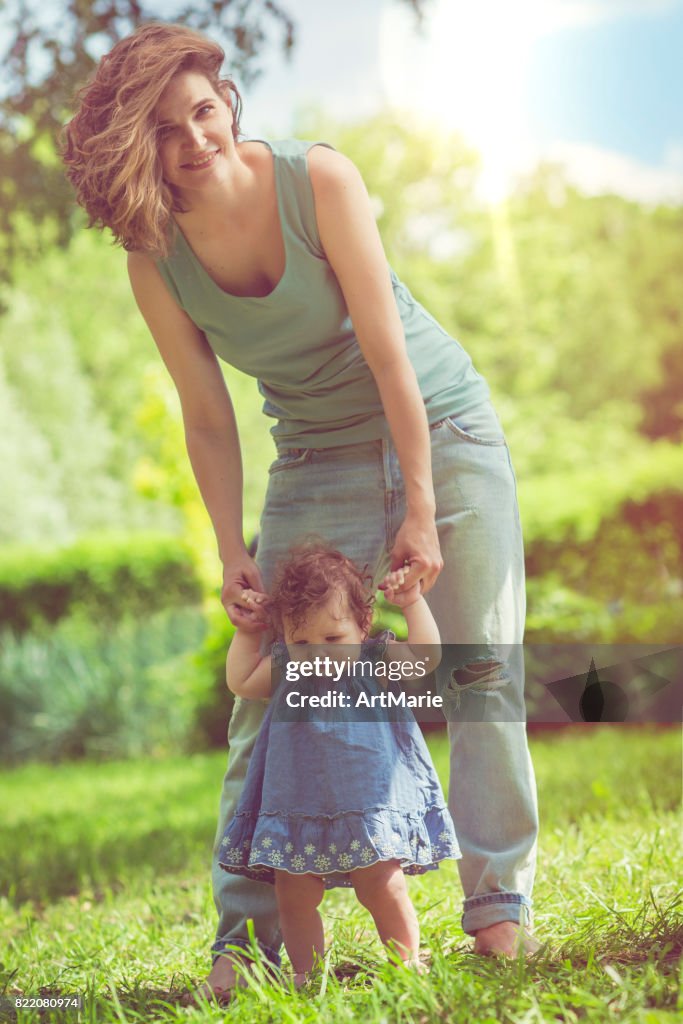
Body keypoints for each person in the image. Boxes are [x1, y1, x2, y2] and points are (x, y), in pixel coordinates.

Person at [62, 20, 540, 999]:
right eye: (167, 128)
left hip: (439, 431)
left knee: (478, 673)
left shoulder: (315, 179)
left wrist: (417, 504)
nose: (197, 138)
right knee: (270, 689)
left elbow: (387, 351)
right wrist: (229, 546)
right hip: (313, 454)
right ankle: (246, 945)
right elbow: (205, 416)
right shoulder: (154, 260)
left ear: (226, 99)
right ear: (134, 149)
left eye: (204, 110)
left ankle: (500, 916)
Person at [219, 541, 459, 984]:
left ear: (362, 626)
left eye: (333, 639)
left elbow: (427, 658)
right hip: (296, 809)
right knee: (293, 897)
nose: (318, 653)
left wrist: (413, 602)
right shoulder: (288, 668)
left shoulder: (375, 660)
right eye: (302, 640)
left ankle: (406, 964)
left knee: (383, 886)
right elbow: (240, 681)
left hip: (368, 806)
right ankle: (308, 976)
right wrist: (250, 630)